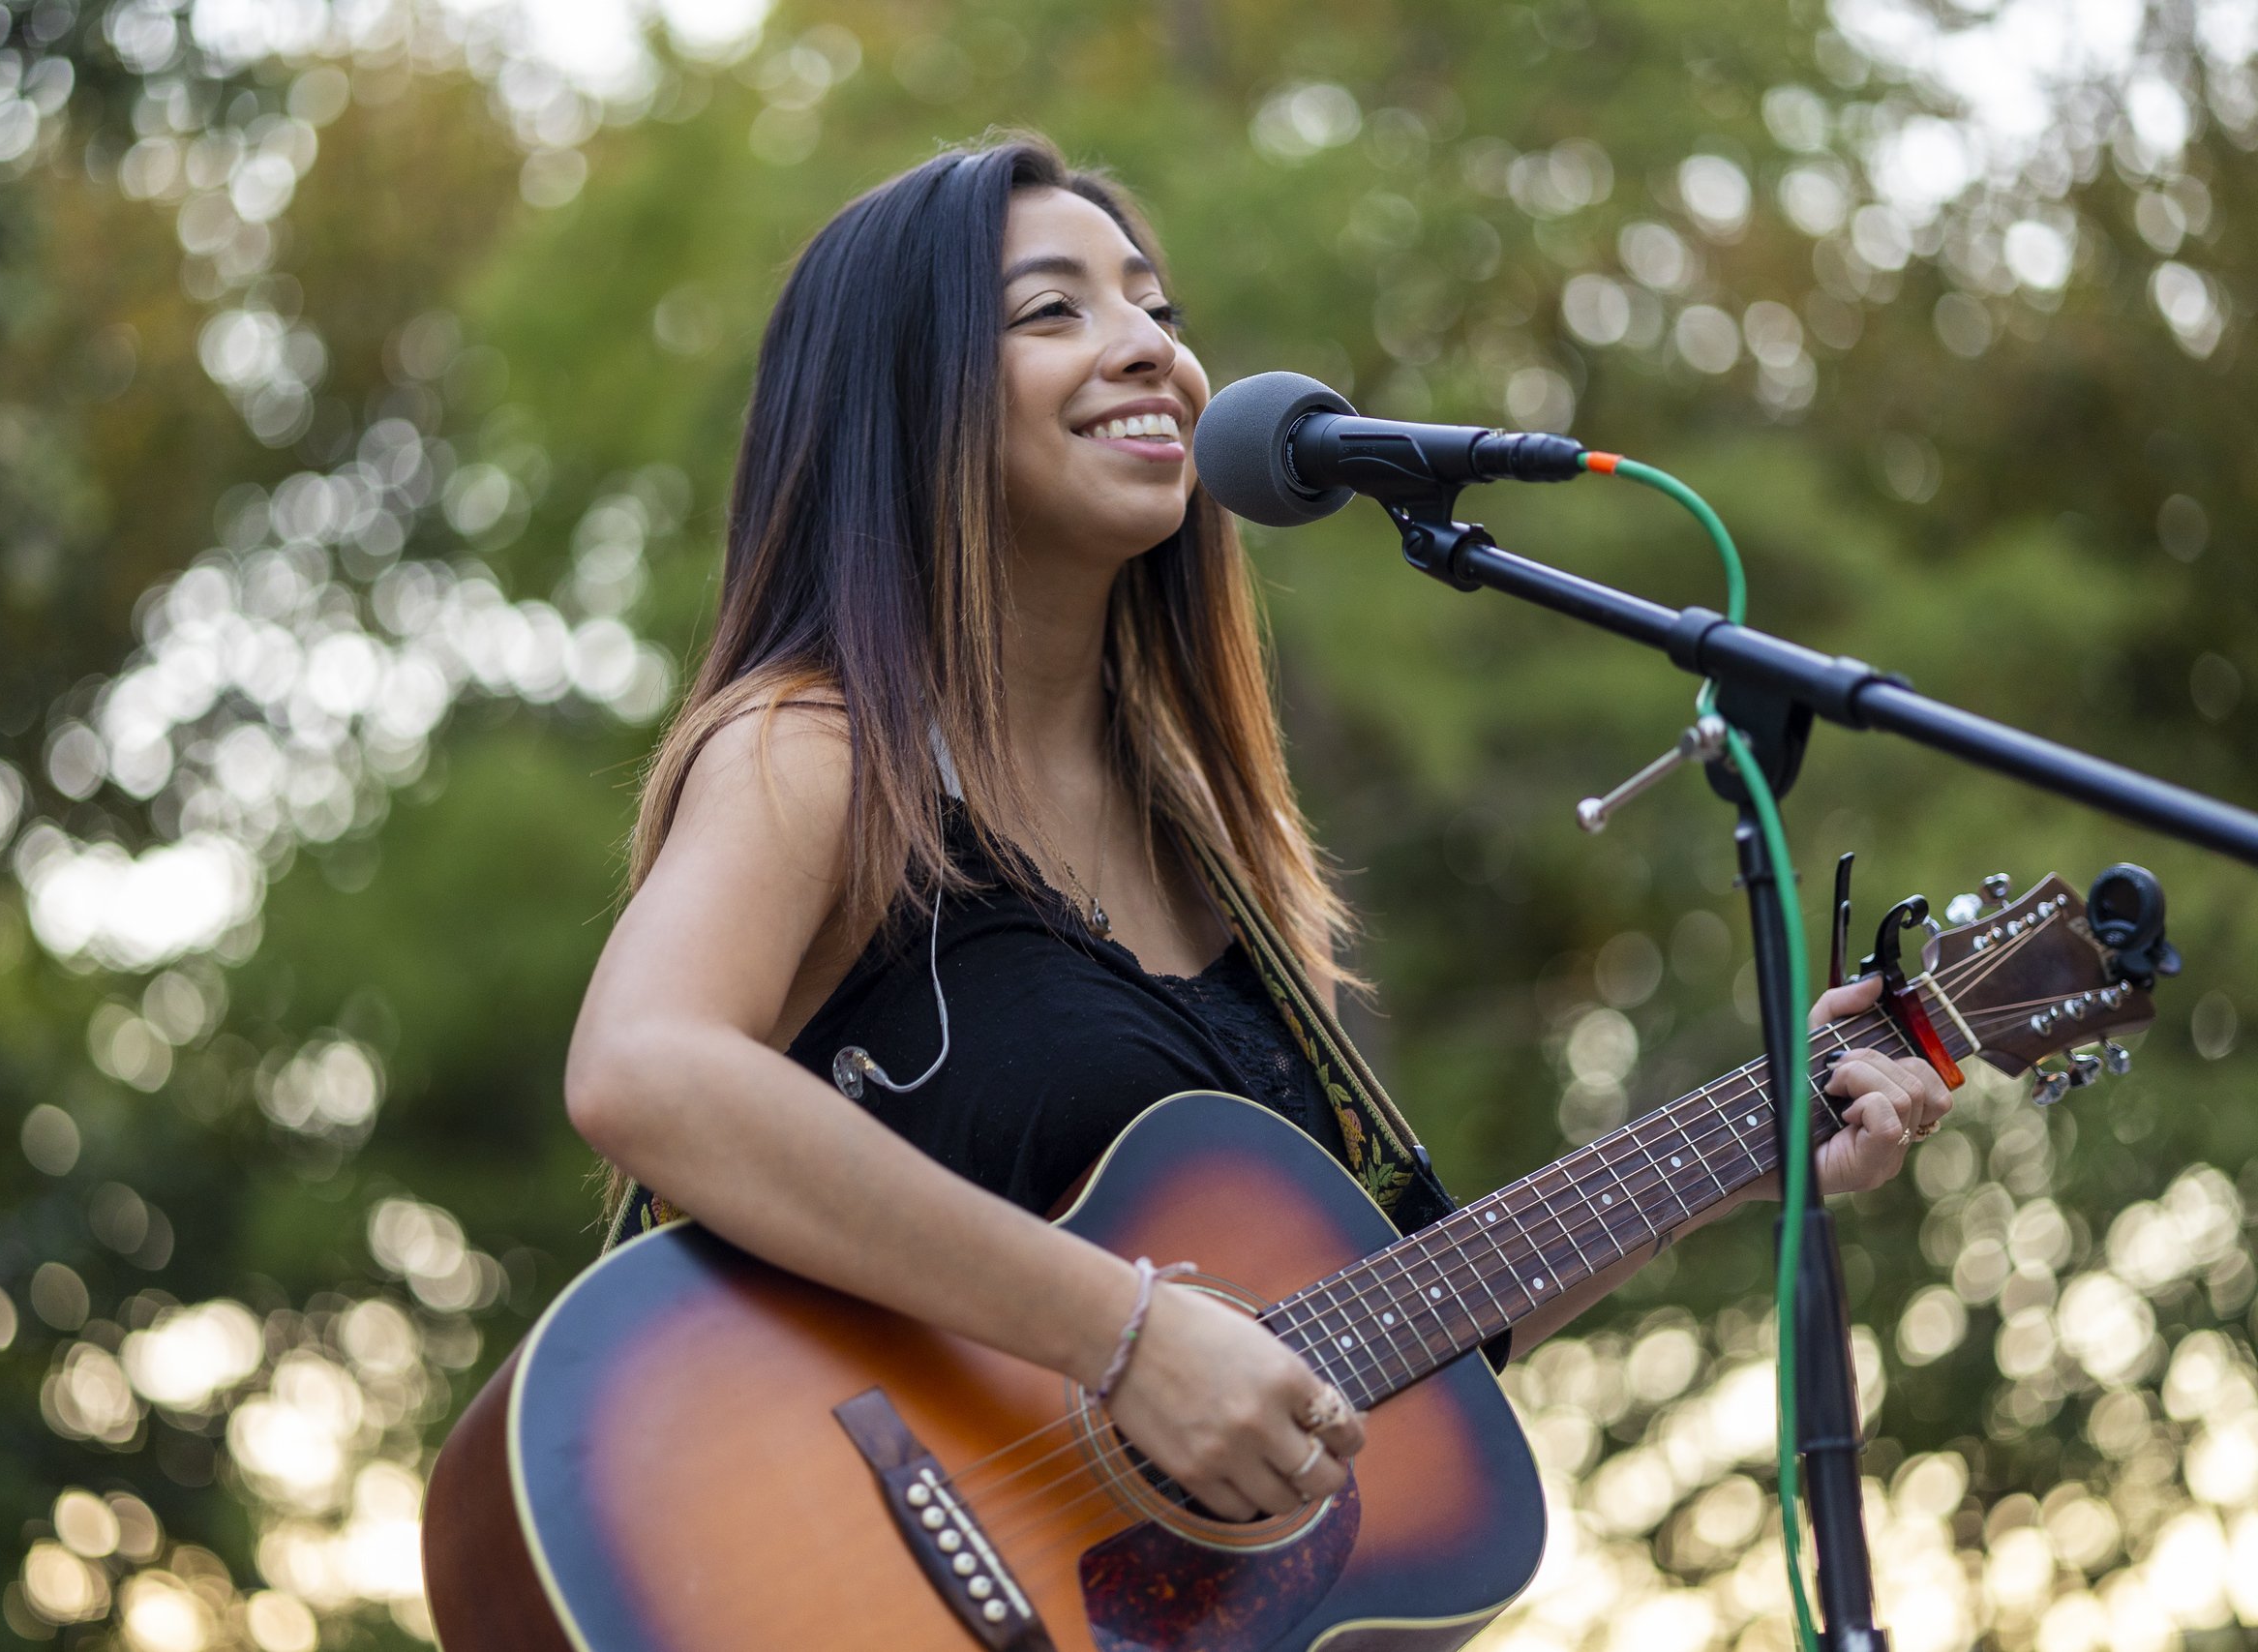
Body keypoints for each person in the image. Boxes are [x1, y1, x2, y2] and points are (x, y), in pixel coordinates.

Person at [562, 134, 1950, 1528]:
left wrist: (1761, 1145)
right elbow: (644, 1066)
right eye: (1056, 311)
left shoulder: (1205, 842)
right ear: (900, 404)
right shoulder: (819, 748)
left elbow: (1406, 1316)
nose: (1149, 351)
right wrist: (1125, 1333)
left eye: (1158, 313)